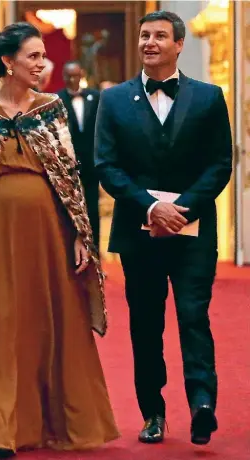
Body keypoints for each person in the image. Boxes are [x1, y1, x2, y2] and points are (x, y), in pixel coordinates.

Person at [0, 22, 119, 457]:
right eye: (33, 56)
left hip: (48, 235)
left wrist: (80, 234)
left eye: (42, 56)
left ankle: (51, 422)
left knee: (46, 321)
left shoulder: (51, 109)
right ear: (8, 62)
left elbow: (70, 177)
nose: (42, 64)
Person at [95, 11, 232, 446]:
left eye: (159, 36)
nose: (149, 42)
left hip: (194, 233)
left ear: (179, 45)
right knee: (146, 324)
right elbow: (106, 166)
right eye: (144, 35)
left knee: (194, 316)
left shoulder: (210, 98)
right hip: (139, 233)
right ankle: (152, 412)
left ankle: (202, 405)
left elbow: (220, 164)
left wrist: (184, 209)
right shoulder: (114, 100)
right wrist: (152, 207)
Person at [57, 61, 101, 250]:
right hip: (68, 162)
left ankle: (95, 249)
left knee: (92, 206)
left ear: (81, 74)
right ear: (64, 77)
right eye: (69, 76)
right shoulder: (57, 100)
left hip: (91, 161)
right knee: (69, 207)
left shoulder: (94, 96)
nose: (73, 79)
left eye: (76, 75)